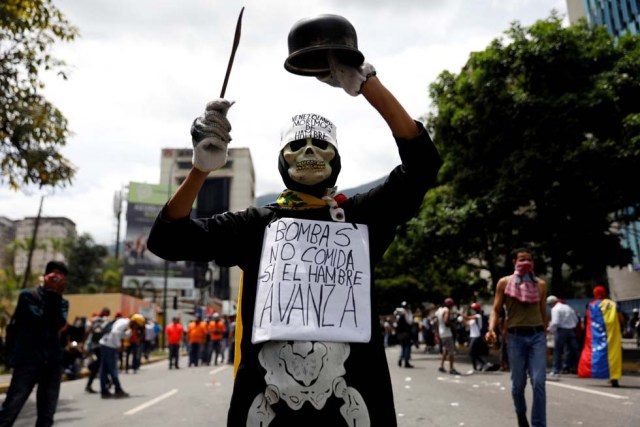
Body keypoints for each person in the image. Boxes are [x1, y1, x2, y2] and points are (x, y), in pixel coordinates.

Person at [147, 43, 442, 425]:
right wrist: (201, 168)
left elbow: (422, 165)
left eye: (320, 145)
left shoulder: (361, 217)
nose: (309, 152)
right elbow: (167, 239)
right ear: (282, 158)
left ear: (336, 158)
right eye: (297, 146)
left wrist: (368, 85)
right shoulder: (255, 225)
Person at [0, 261, 69, 427]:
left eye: (60, 275)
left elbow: (58, 324)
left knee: (47, 415)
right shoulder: (28, 296)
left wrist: (55, 295)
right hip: (28, 361)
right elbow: (37, 319)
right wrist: (52, 294)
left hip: (52, 363)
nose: (56, 277)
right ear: (45, 277)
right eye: (53, 274)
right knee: (10, 410)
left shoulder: (63, 302)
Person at [486, 247, 548, 427]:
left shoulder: (541, 285)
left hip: (537, 336)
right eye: (521, 259)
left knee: (538, 382)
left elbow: (543, 312)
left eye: (529, 259)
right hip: (515, 337)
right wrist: (491, 329)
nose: (525, 263)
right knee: (517, 386)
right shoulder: (504, 283)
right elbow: (496, 310)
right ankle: (521, 415)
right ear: (514, 262)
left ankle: (538, 424)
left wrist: (544, 334)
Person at [577, 286, 624, 387]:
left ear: (595, 294)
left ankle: (594, 372)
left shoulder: (591, 305)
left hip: (596, 335)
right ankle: (614, 377)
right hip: (613, 334)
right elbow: (620, 319)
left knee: (596, 352)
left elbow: (588, 321)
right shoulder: (613, 304)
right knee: (613, 355)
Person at [98, 313, 145, 398]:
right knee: (113, 369)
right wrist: (118, 345)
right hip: (109, 347)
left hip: (106, 345)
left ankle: (104, 391)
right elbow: (115, 332)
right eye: (137, 326)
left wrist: (130, 332)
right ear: (134, 323)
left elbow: (121, 335)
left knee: (104, 370)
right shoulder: (123, 323)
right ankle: (118, 389)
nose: (136, 328)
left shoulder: (123, 323)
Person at [546, 295, 579, 380]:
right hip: (571, 330)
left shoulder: (555, 309)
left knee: (557, 351)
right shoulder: (567, 307)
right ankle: (576, 367)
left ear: (551, 303)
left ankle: (555, 370)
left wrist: (549, 329)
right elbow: (576, 319)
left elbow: (555, 322)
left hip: (561, 331)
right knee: (573, 350)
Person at [84, 307, 111, 393]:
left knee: (98, 364)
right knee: (100, 364)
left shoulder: (93, 320)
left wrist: (83, 343)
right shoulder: (106, 320)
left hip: (94, 346)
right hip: (101, 346)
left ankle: (103, 381)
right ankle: (106, 381)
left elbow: (88, 332)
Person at [435, 298, 461, 375]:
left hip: (441, 333)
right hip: (447, 333)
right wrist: (452, 325)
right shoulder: (446, 310)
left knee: (445, 350)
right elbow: (446, 321)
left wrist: (437, 333)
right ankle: (451, 368)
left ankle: (441, 366)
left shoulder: (439, 310)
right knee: (451, 352)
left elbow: (437, 323)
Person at [464, 303, 489, 372]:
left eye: (472, 309)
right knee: (473, 353)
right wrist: (463, 320)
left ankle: (478, 366)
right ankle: (482, 364)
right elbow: (466, 324)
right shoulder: (472, 318)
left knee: (472, 352)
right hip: (472, 336)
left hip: (477, 336)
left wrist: (462, 315)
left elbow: (467, 317)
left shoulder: (478, 316)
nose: (471, 311)